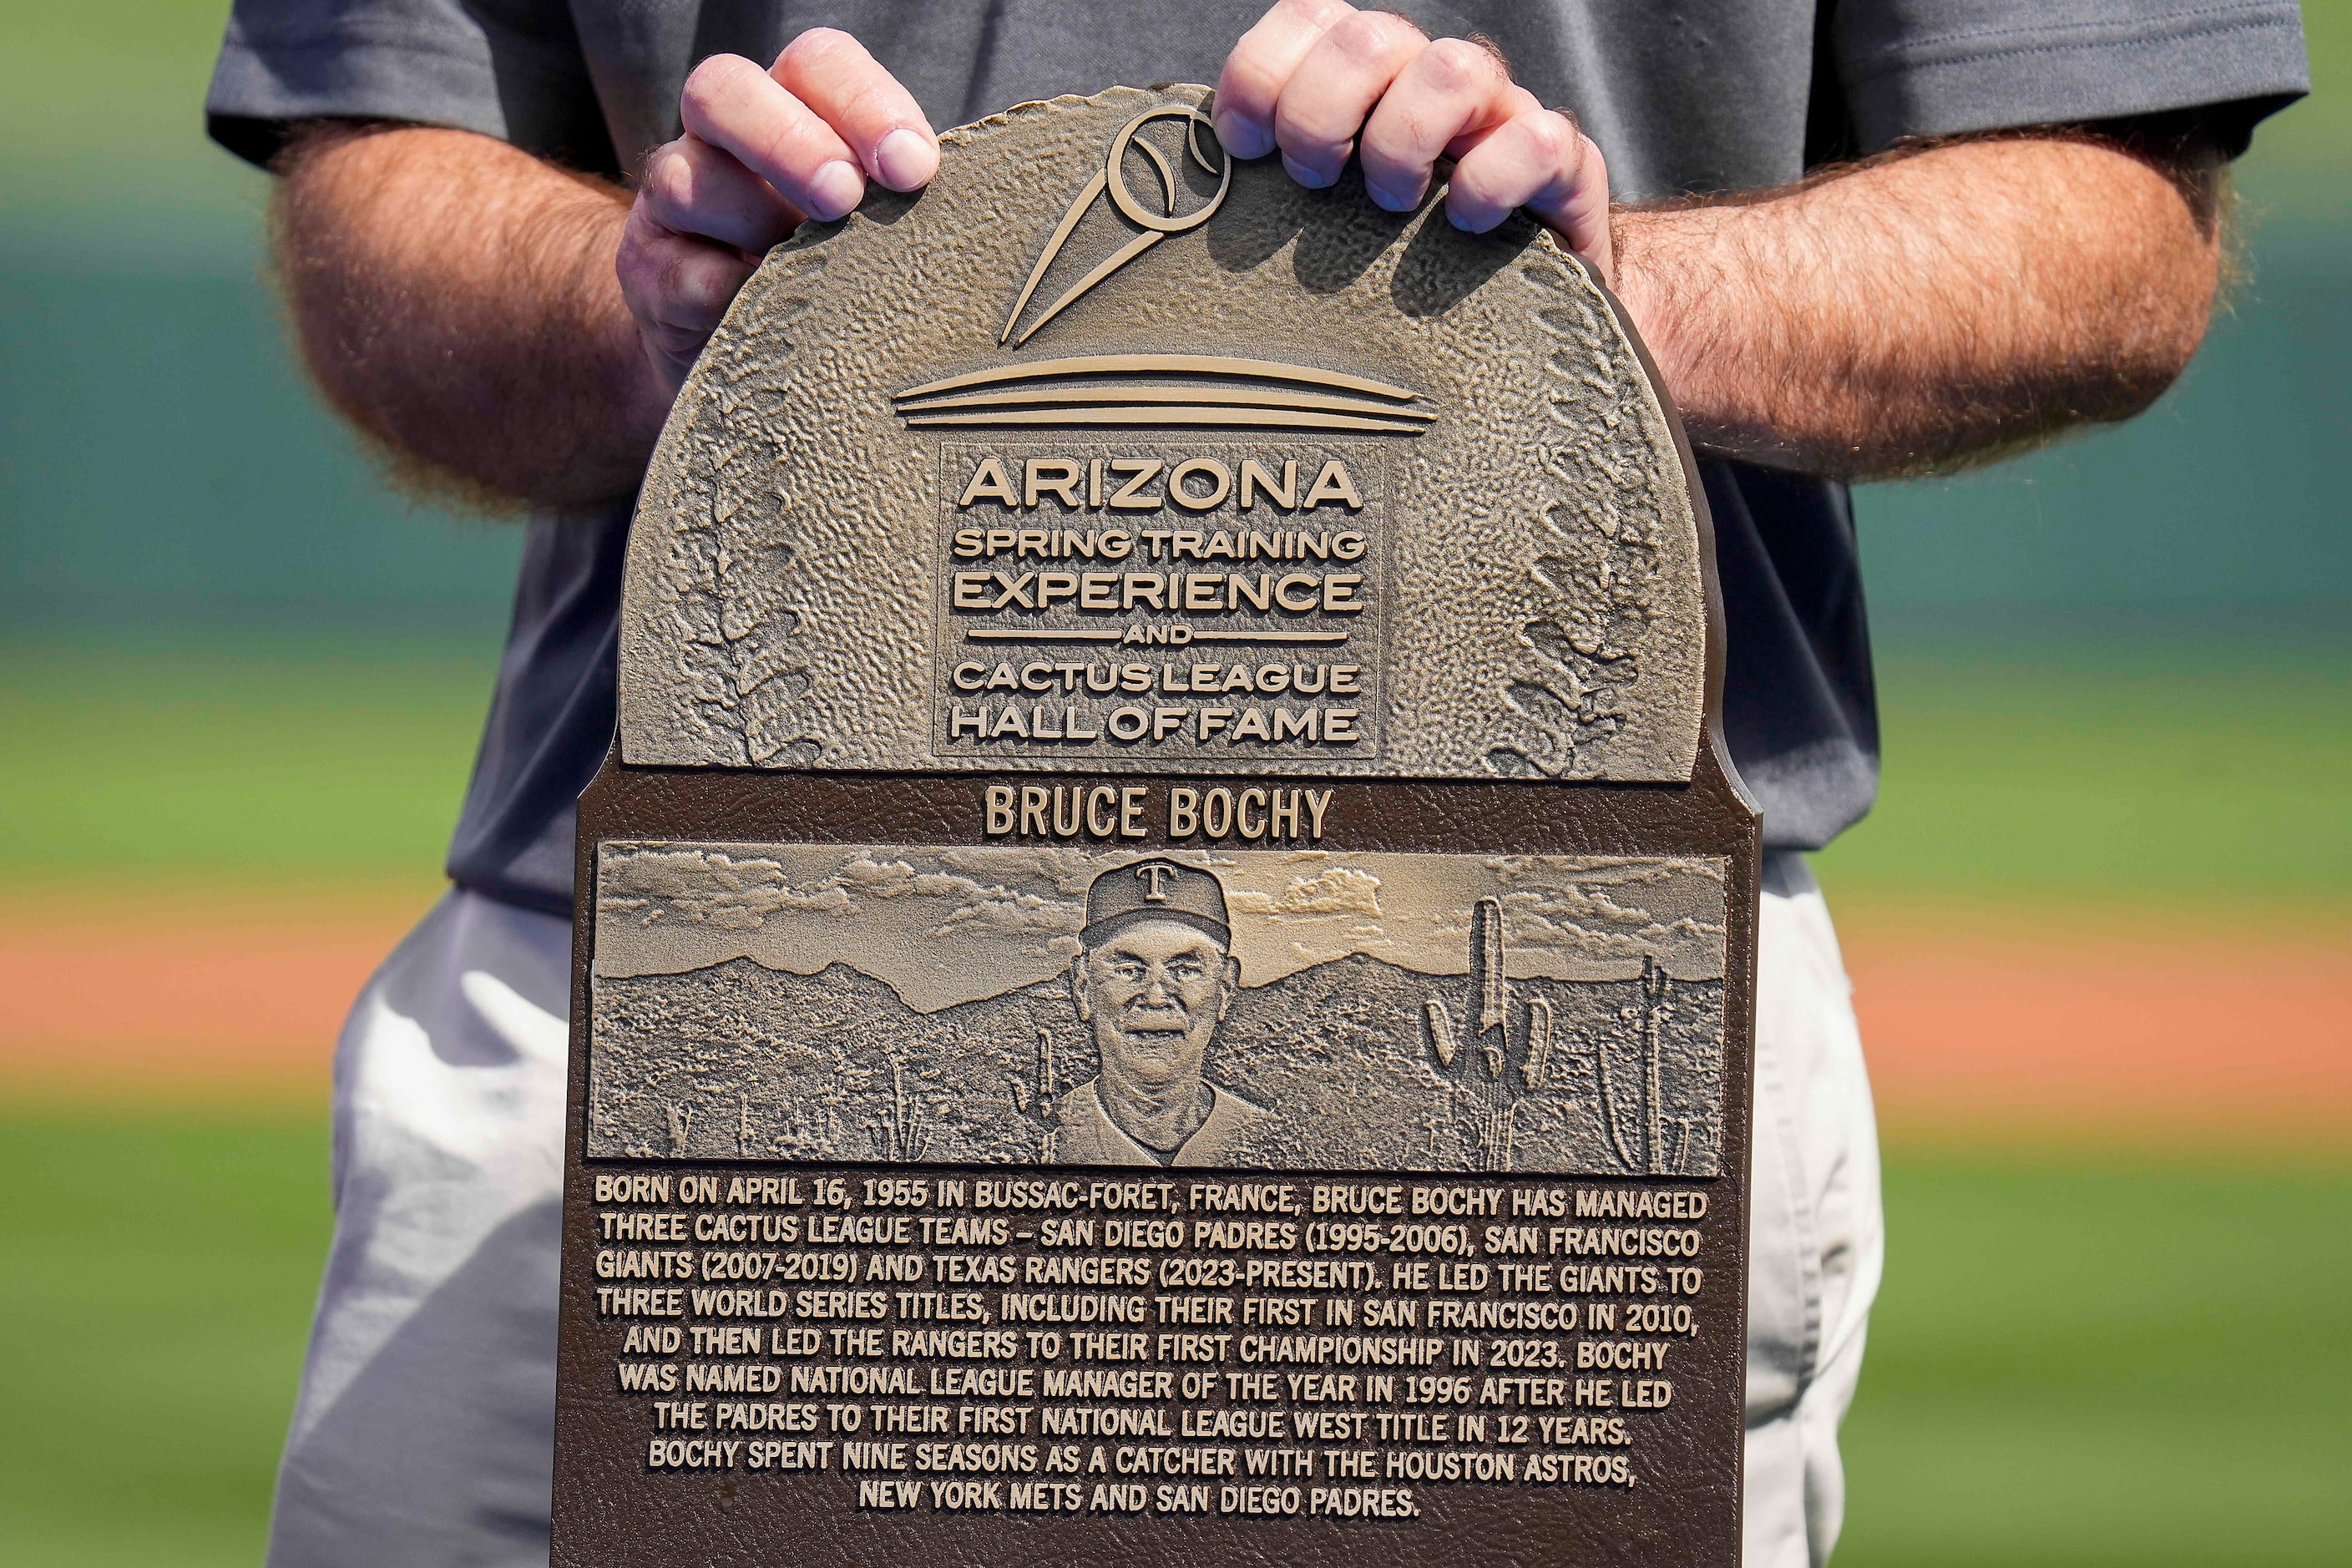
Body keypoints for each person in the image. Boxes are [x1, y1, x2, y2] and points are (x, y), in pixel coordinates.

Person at [203, 2, 2308, 1565]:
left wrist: (1577, 310)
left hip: (1549, 996)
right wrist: (633, 304)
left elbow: (2104, 215)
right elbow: (385, 170)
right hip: (676, 961)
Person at [1055, 858, 1267, 1166]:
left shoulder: (1269, 1138)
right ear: (1083, 987)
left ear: (1225, 988)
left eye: (1184, 970)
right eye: (1128, 970)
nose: (1155, 997)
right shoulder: (1036, 1138)